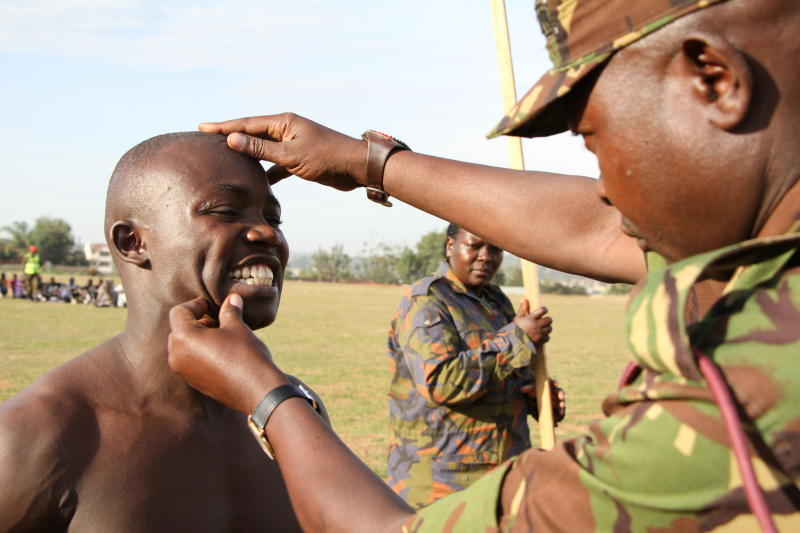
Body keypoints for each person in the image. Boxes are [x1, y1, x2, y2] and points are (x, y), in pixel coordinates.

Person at [167, 0, 800, 530]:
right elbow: (600, 227)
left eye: (593, 137)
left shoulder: (757, 387)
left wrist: (268, 393)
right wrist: (370, 163)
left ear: (713, 80)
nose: (605, 187)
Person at [0, 132, 326, 531]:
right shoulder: (33, 437)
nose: (268, 233)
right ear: (132, 242)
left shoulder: (291, 410)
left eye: (272, 218)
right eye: (226, 211)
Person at [387, 223, 560, 508]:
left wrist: (536, 397)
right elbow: (440, 383)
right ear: (450, 246)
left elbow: (507, 374)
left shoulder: (497, 301)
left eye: (495, 248)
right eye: (475, 245)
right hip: (444, 484)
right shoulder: (427, 303)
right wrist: (517, 338)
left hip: (504, 475)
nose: (486, 256)